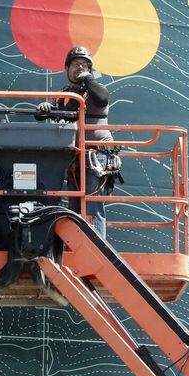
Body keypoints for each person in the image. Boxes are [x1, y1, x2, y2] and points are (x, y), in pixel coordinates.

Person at [37, 44, 120, 239]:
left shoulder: (95, 90)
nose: (80, 68)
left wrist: (88, 79)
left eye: (85, 65)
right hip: (74, 158)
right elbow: (47, 115)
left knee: (92, 207)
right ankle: (78, 250)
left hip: (96, 156)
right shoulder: (65, 95)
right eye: (75, 64)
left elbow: (102, 98)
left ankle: (98, 253)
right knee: (74, 210)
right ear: (66, 68)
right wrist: (46, 108)